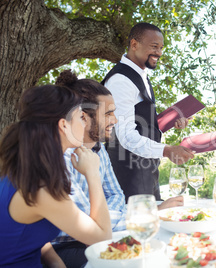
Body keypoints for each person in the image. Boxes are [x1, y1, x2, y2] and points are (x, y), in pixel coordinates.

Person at [50, 70, 185, 267]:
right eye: (108, 113)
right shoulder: (59, 158)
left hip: (102, 235)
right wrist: (149, 215)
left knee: (165, 249)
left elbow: (116, 196)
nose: (115, 120)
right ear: (83, 117)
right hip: (65, 249)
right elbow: (89, 224)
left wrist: (108, 214)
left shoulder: (98, 149)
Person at [0, 85, 112, 268]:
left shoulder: (24, 170)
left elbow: (30, 234)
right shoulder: (41, 188)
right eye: (81, 117)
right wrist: (93, 174)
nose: (85, 124)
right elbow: (102, 239)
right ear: (63, 125)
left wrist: (57, 263)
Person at [102, 22, 194, 202]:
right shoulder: (121, 80)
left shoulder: (140, 75)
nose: (159, 53)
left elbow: (141, 122)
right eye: (154, 47)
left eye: (161, 48)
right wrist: (167, 151)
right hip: (128, 176)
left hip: (146, 170)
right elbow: (126, 135)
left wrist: (168, 122)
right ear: (134, 44)